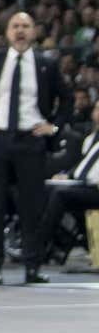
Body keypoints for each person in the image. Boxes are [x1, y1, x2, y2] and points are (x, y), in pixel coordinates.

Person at [0, 11, 70, 285]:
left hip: (31, 140)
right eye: (15, 26)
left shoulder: (46, 64)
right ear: (7, 32)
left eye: (26, 26)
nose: (20, 31)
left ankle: (33, 266)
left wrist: (53, 126)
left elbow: (66, 99)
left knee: (32, 206)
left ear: (34, 32)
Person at [36, 102, 99, 267]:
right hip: (83, 184)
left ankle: (39, 248)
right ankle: (58, 245)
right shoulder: (91, 138)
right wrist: (67, 175)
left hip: (95, 188)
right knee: (44, 189)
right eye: (97, 108)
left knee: (60, 195)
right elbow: (84, 165)